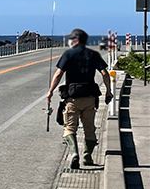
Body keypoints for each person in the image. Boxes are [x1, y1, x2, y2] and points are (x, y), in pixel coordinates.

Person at [45, 28, 113, 168]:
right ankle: (87, 157)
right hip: (89, 98)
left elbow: (58, 74)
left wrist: (50, 91)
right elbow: (105, 73)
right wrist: (108, 91)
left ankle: (74, 153)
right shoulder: (93, 55)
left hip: (72, 98)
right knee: (89, 128)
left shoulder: (68, 54)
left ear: (75, 40)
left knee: (70, 128)